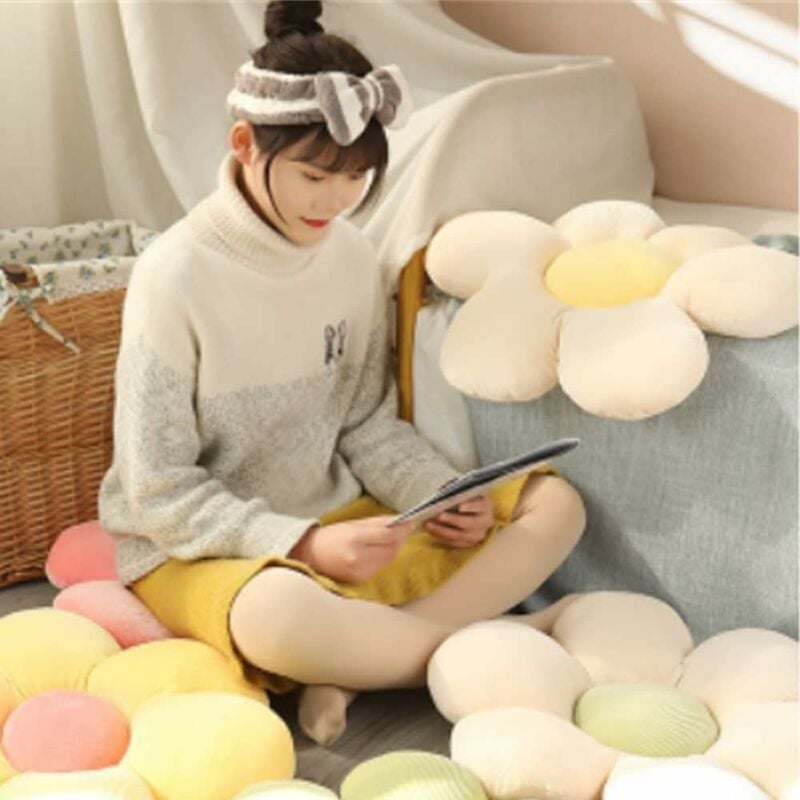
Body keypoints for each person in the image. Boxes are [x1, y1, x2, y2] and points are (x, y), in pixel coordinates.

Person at [98, 0, 586, 746]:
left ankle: (356, 664)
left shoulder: (352, 256)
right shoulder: (175, 276)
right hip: (200, 547)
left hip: (334, 516)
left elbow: (363, 420)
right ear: (243, 143)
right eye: (314, 175)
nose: (337, 200)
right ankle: (506, 640)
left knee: (554, 505)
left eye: (357, 176)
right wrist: (299, 546)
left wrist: (434, 492)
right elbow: (157, 490)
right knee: (279, 618)